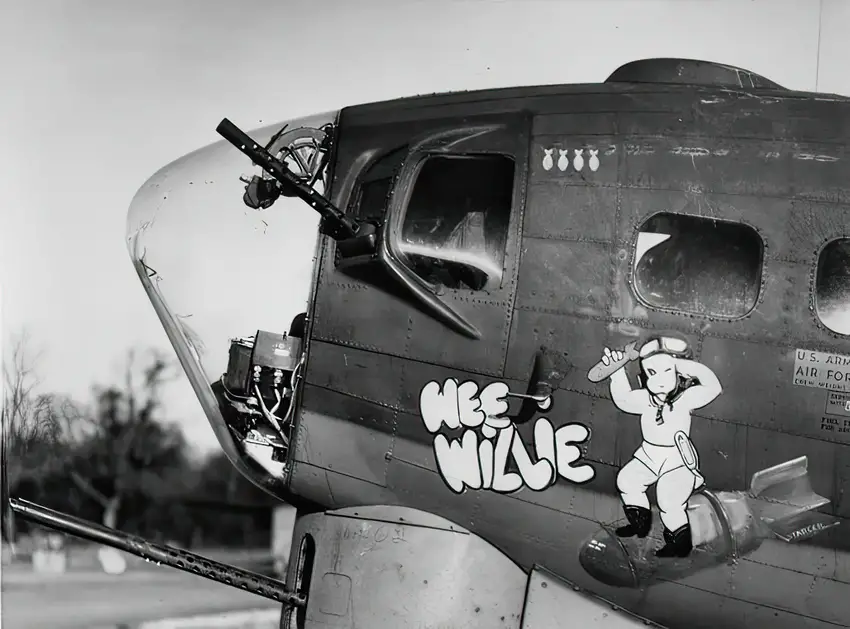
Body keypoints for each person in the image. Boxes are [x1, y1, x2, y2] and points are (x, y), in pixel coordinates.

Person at [598, 335, 722, 558]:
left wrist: (687, 366)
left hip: (677, 460)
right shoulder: (647, 399)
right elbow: (623, 400)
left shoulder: (686, 398)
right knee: (628, 480)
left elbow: (713, 387)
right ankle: (640, 524)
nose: (659, 380)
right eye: (652, 372)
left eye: (667, 371)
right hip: (649, 453)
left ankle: (679, 544)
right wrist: (616, 371)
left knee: (669, 499)